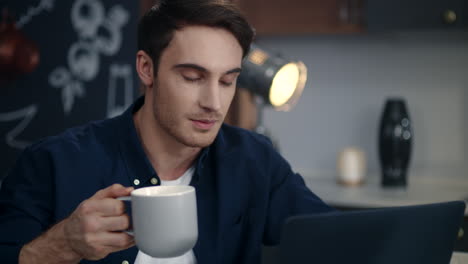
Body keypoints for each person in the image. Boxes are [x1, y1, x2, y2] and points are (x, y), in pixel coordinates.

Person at [0, 0, 334, 263]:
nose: (214, 103)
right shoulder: (53, 163)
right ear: (146, 68)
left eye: (227, 81)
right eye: (193, 77)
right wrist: (64, 244)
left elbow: (337, 241)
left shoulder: (254, 160)